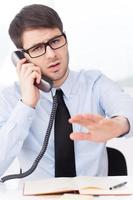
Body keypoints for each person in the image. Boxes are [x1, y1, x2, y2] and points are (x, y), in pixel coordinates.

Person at [0, 4, 133, 181]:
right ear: (23, 58)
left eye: (55, 41)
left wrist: (118, 125)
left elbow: (127, 109)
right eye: (37, 48)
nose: (51, 55)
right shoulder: (9, 98)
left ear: (65, 40)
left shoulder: (95, 83)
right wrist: (26, 105)